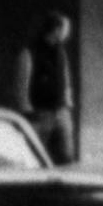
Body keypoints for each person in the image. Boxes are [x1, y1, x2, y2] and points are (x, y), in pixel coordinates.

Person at [24, 13, 81, 165]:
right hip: (41, 112)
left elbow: (65, 76)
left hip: (61, 111)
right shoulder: (32, 52)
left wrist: (68, 100)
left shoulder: (61, 52)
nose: (68, 33)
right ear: (56, 29)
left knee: (67, 156)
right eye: (66, 29)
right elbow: (22, 82)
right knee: (36, 155)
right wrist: (29, 109)